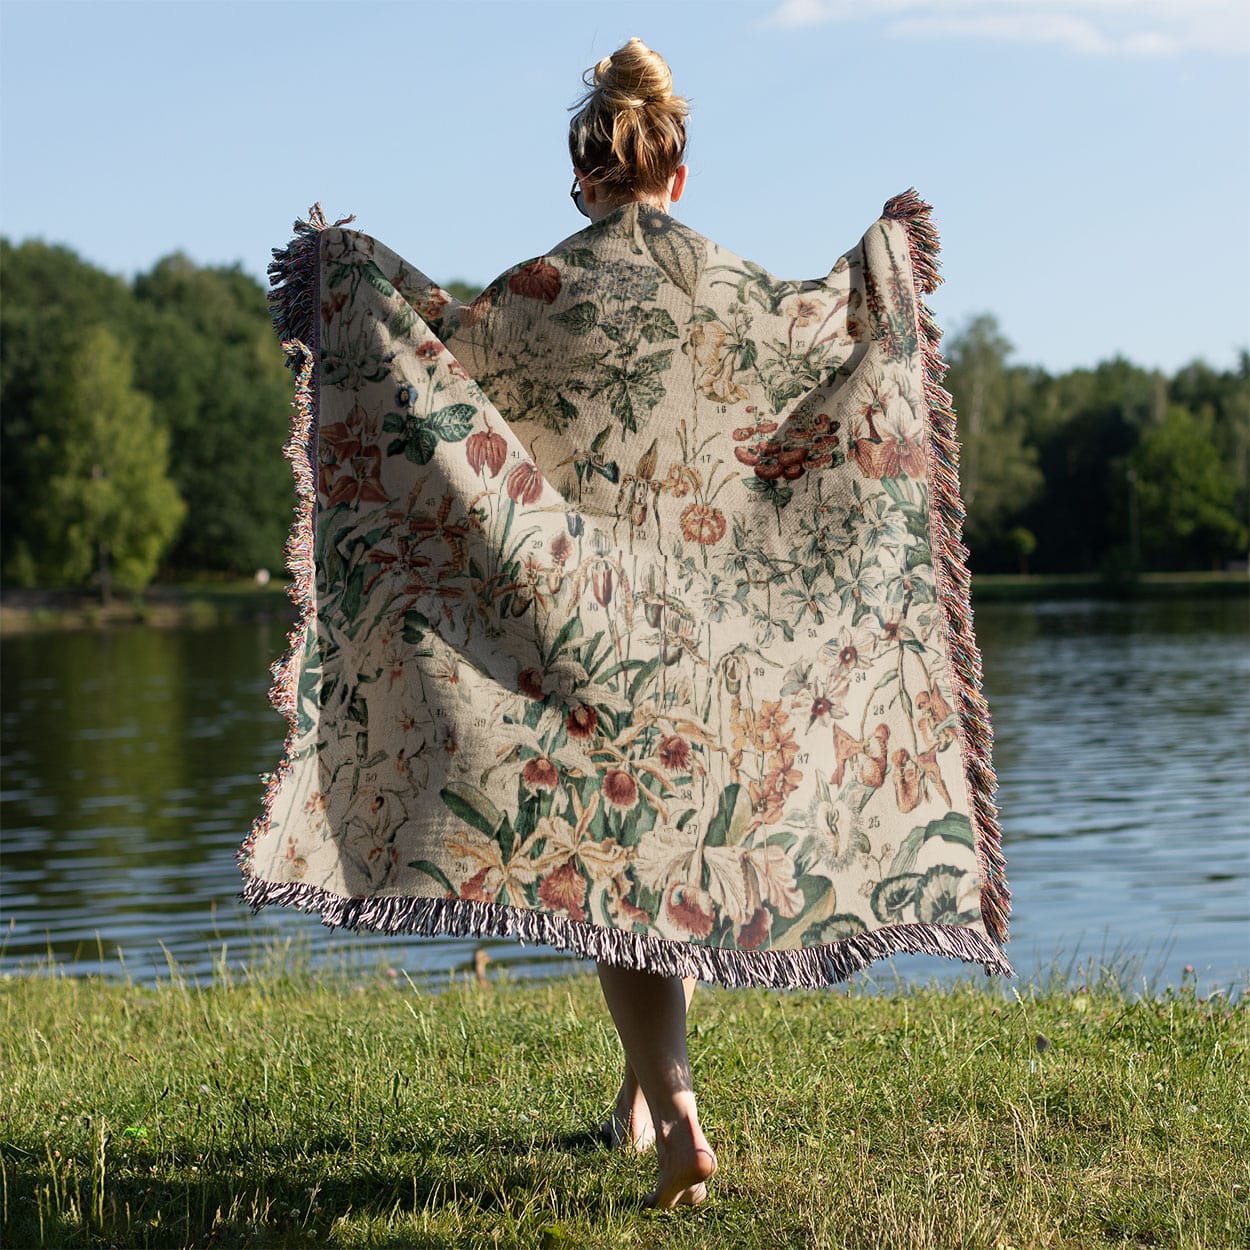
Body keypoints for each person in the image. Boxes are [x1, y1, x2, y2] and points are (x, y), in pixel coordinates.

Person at [563, 38, 716, 1210]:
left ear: (583, 181)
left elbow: (446, 396)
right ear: (675, 174)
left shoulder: (540, 290)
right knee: (672, 867)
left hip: (587, 620)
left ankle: (677, 1119)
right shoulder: (722, 287)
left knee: (616, 882)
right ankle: (631, 1102)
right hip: (706, 619)